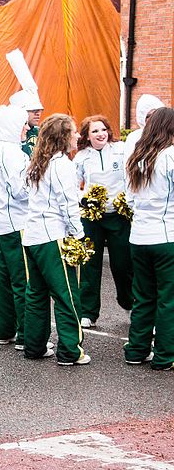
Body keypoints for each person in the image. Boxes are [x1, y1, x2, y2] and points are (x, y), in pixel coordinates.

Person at [22, 114, 89, 365]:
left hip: (33, 236)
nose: (78, 136)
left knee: (37, 294)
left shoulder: (38, 160)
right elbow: (68, 205)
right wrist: (79, 235)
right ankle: (71, 351)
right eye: (73, 132)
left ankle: (34, 346)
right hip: (53, 236)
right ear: (63, 136)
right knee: (67, 294)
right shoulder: (62, 164)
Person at [124, 107, 174, 370]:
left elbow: (130, 198)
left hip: (139, 235)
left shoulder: (137, 157)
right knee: (168, 298)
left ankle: (136, 349)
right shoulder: (170, 155)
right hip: (166, 235)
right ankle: (165, 355)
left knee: (143, 296)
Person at [73, 115, 133, 328]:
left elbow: (131, 178)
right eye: (95, 131)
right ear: (87, 136)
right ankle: (88, 312)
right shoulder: (81, 157)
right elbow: (72, 186)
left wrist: (128, 200)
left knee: (122, 262)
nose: (100, 134)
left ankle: (129, 303)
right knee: (90, 264)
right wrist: (84, 199)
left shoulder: (122, 149)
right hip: (92, 217)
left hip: (118, 214)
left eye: (103, 130)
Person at [0, 105, 31, 350]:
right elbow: (20, 191)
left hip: (1, 222)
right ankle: (26, 334)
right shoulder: (14, 153)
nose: (27, 127)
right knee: (23, 280)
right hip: (18, 223)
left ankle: (4, 330)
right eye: (23, 123)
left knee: (3, 280)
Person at [10, 89, 43, 156]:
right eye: (34, 110)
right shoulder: (9, 136)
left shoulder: (39, 132)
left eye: (40, 110)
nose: (38, 114)